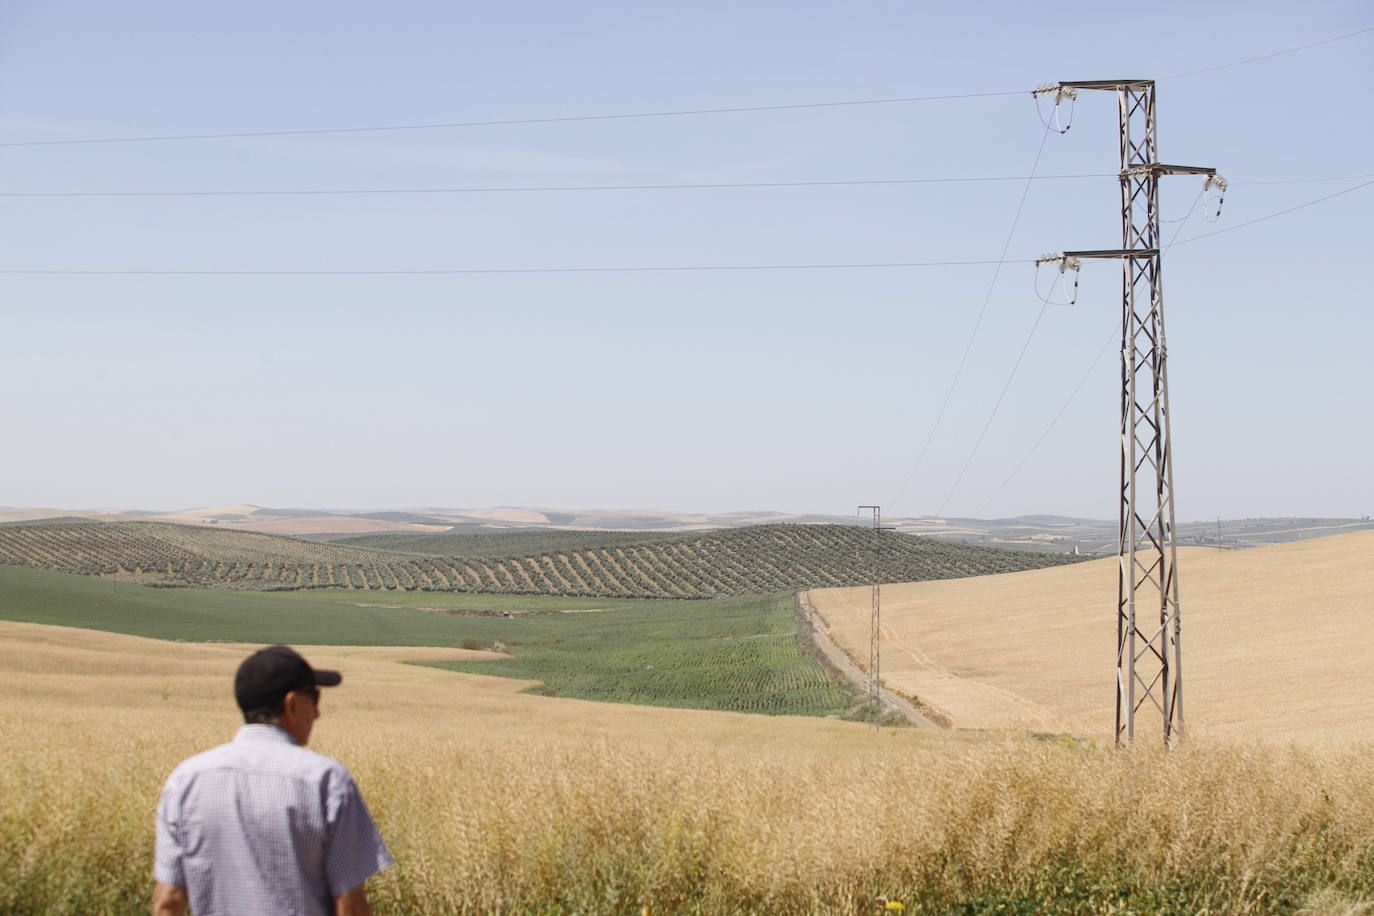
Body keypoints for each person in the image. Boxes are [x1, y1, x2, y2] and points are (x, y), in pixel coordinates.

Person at [152, 645, 392, 916]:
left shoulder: (185, 781)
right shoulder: (325, 781)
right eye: (314, 697)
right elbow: (349, 906)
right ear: (291, 704)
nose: (317, 713)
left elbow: (167, 903)